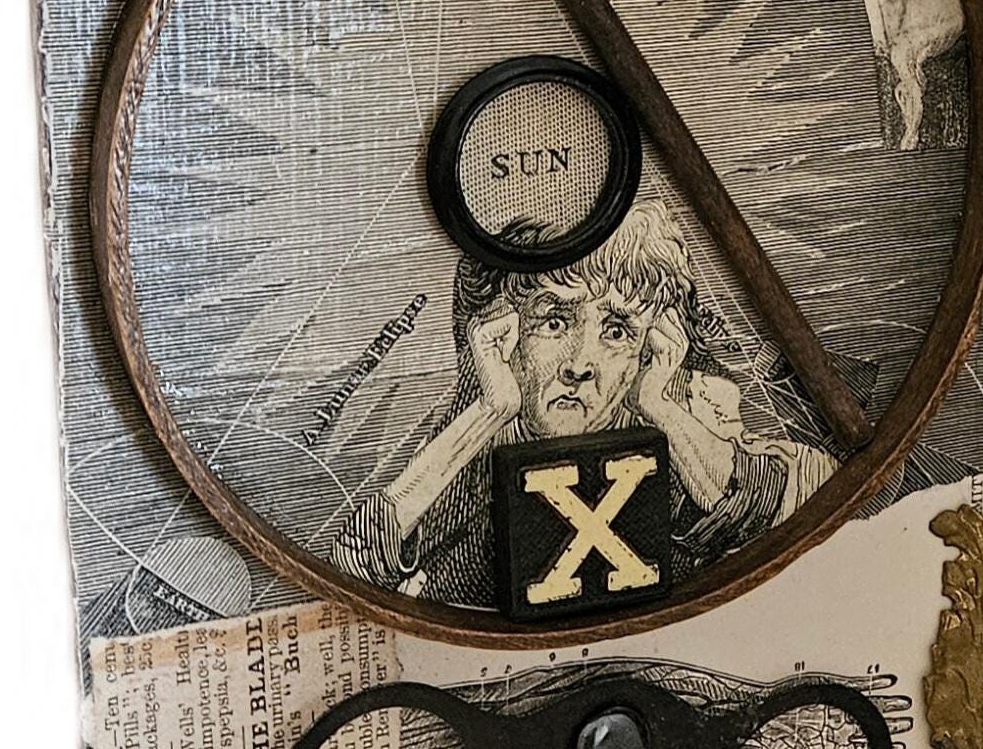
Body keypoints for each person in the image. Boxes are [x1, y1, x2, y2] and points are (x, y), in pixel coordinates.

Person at [334, 198, 832, 604]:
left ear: (652, 346)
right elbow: (353, 570)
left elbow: (802, 507)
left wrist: (657, 404)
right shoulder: (465, 456)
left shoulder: (682, 436)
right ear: (503, 333)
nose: (580, 364)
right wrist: (489, 411)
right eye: (555, 321)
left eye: (616, 331)